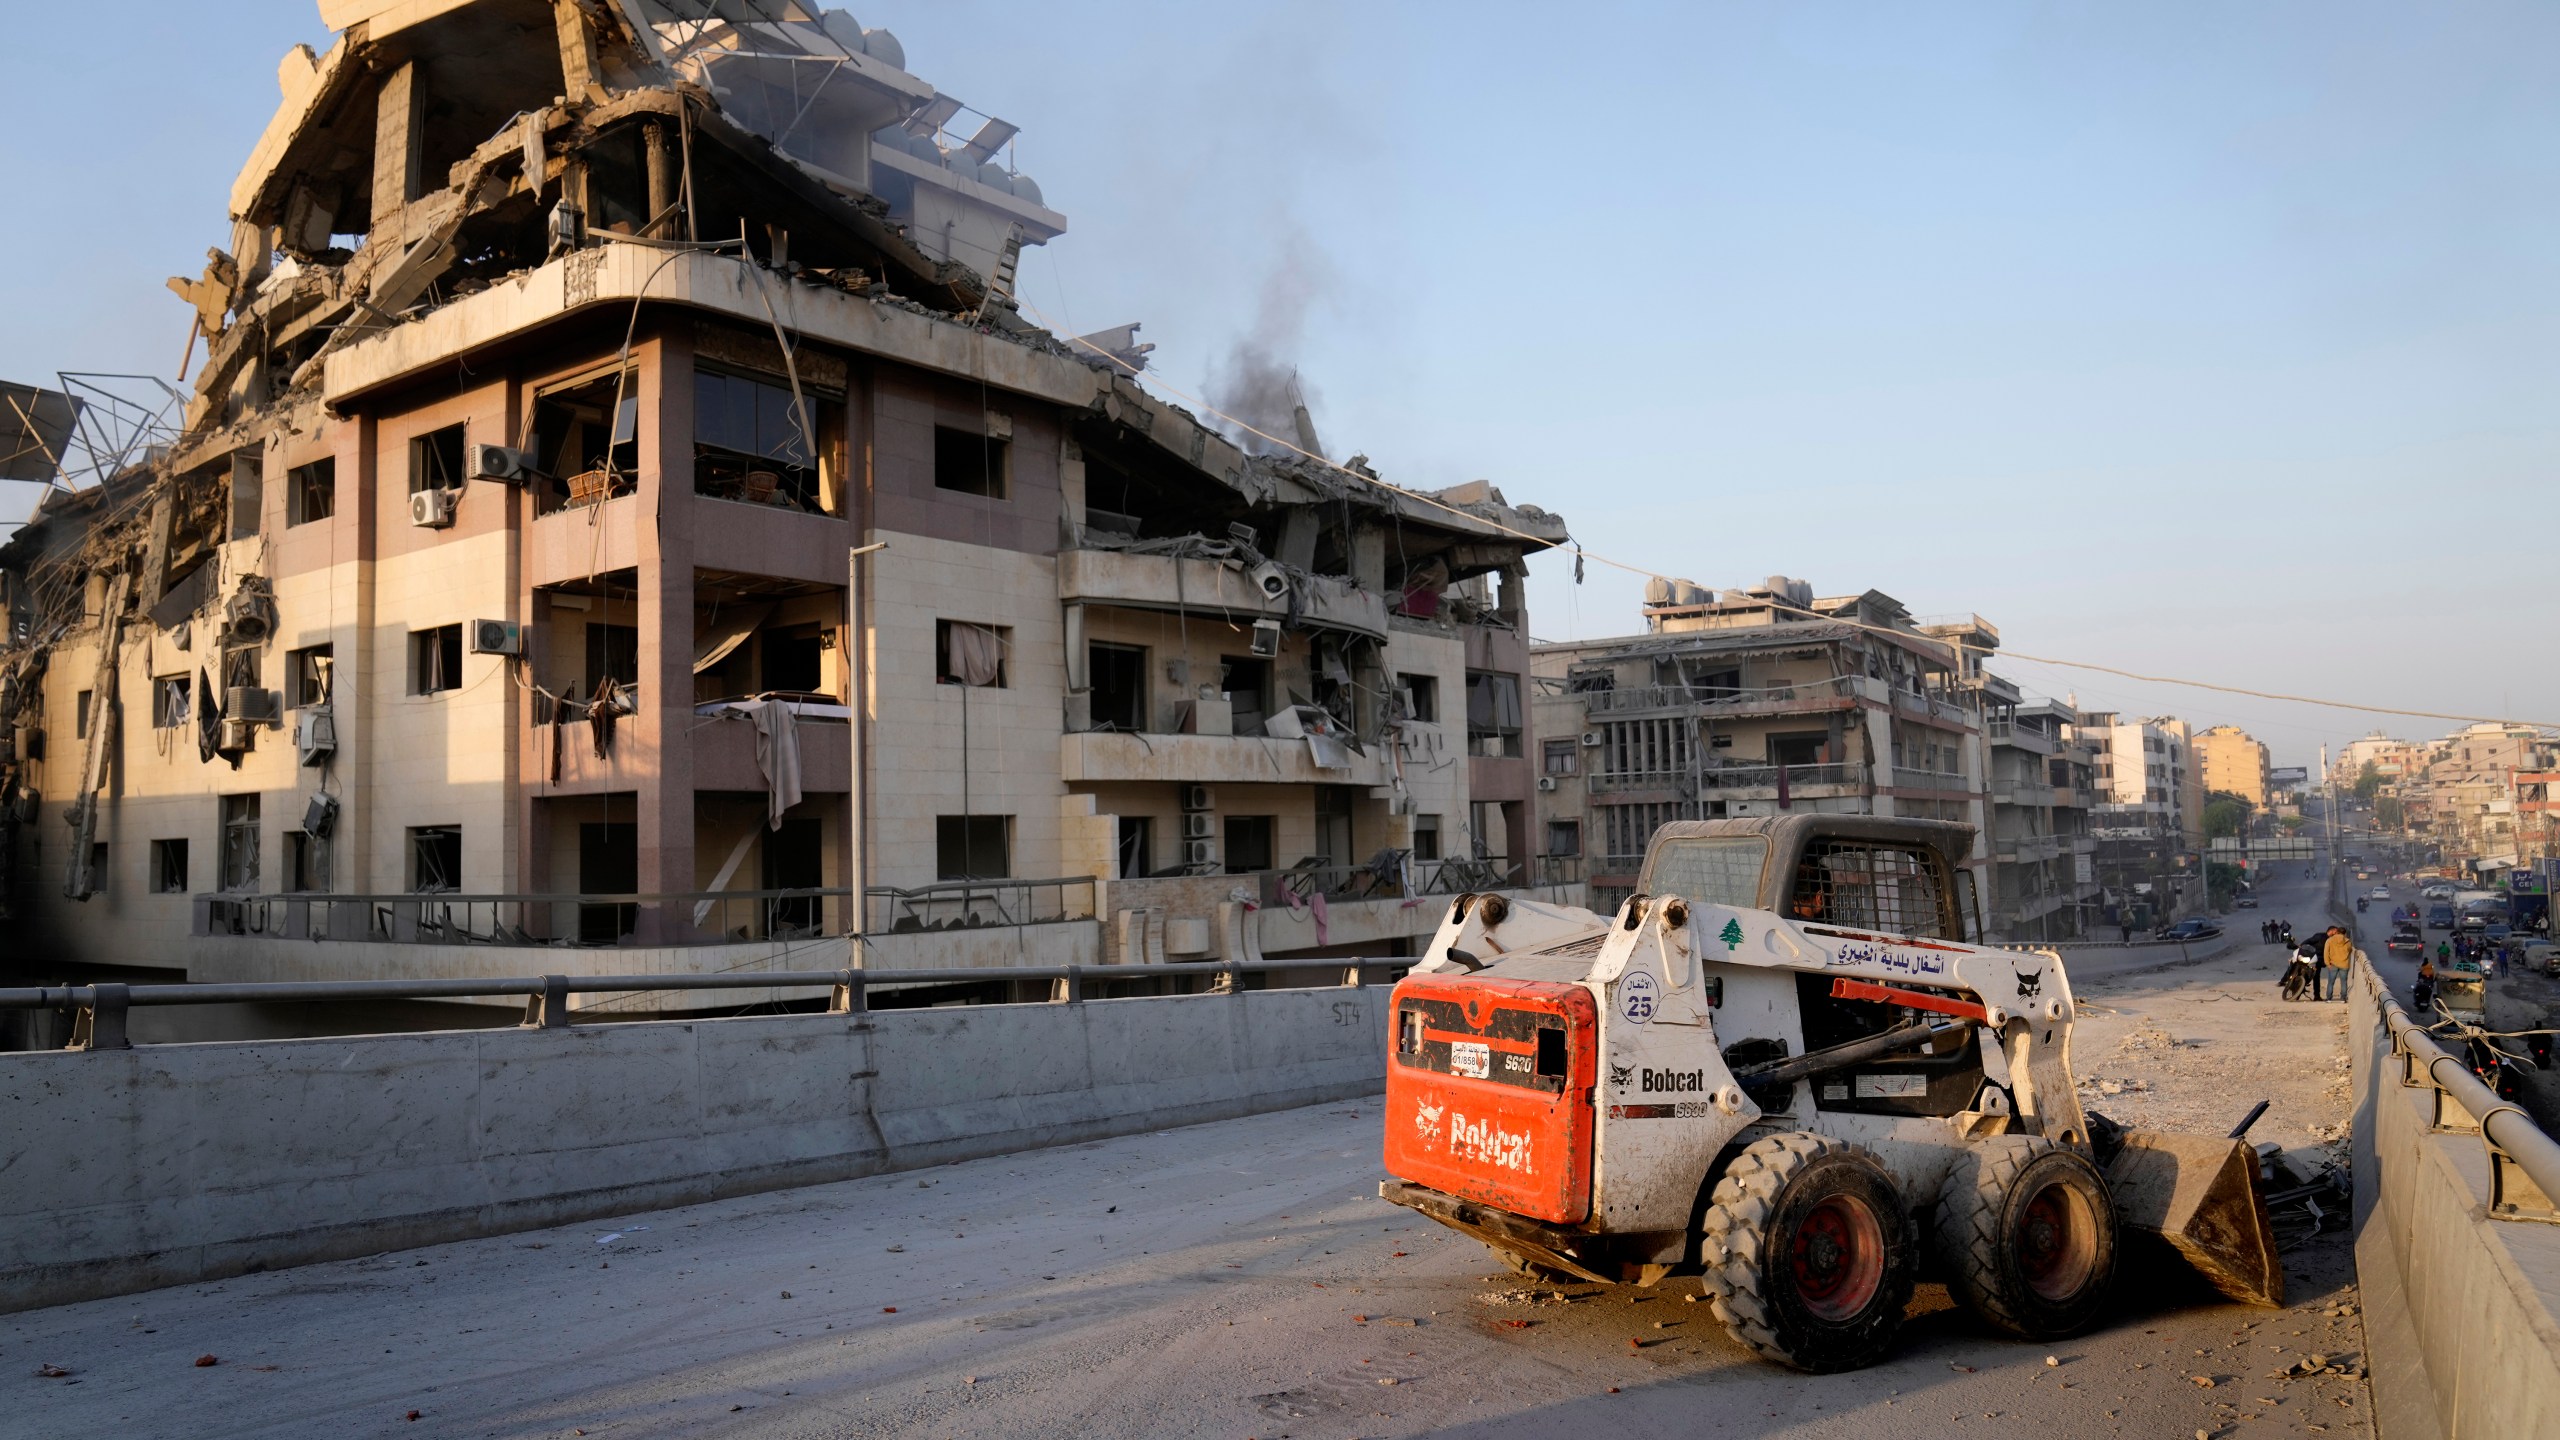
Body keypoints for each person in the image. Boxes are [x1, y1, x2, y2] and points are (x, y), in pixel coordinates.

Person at [2321, 925, 2353, 1001]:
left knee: (2331, 982)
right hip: (2344, 964)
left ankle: (2329, 998)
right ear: (2344, 934)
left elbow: (2326, 952)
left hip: (2333, 964)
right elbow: (2350, 950)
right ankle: (2343, 998)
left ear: (2337, 932)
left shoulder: (2329, 940)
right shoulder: (2348, 941)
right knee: (2344, 982)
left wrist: (2327, 963)